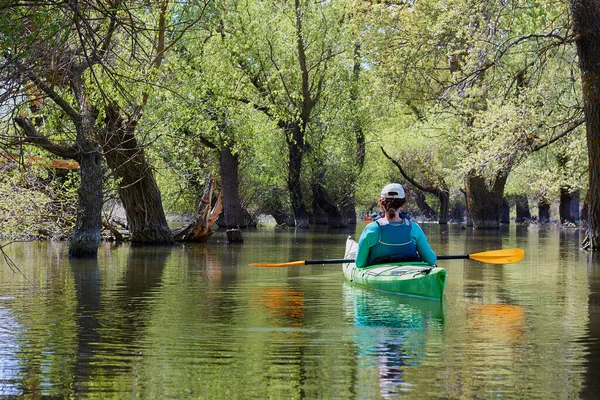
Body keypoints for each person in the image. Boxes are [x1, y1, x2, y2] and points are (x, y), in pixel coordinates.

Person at [355, 183, 437, 268]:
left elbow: (360, 263)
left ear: (381, 203)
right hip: (410, 274)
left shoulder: (371, 229)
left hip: (380, 275)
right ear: (403, 203)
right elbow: (431, 260)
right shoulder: (414, 228)